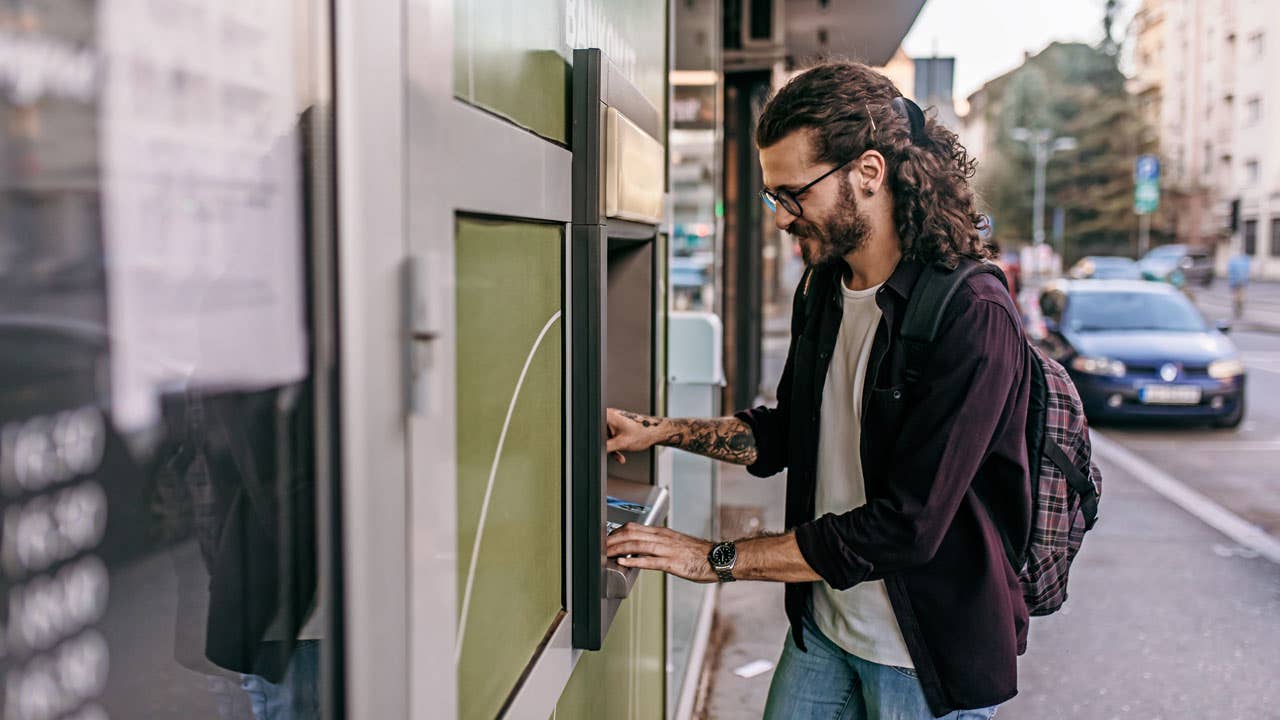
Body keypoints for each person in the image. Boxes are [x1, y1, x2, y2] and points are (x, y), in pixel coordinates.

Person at [605, 62, 1032, 720]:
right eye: (774, 197)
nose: (780, 219)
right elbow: (787, 434)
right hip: (826, 625)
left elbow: (908, 526)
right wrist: (660, 430)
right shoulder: (824, 290)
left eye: (793, 194)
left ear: (869, 172)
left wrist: (712, 559)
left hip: (920, 658)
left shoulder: (970, 312)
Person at [1227, 248, 1251, 319]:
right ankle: (1240, 307)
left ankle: (1237, 308)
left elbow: (1230, 272)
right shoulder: (1245, 260)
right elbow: (1247, 271)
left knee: (1236, 296)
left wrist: (1231, 283)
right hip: (1242, 282)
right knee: (1241, 296)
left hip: (1235, 282)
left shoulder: (1233, 261)